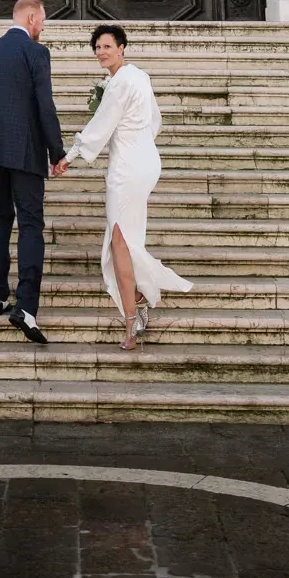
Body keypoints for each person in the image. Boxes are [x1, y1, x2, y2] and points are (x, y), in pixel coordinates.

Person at [62, 24, 191, 350]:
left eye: (106, 46)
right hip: (146, 159)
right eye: (97, 47)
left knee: (120, 240)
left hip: (127, 168)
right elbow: (154, 120)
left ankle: (132, 318)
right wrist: (139, 143)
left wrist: (69, 156)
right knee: (124, 238)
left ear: (121, 47)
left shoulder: (119, 84)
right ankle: (138, 300)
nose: (101, 52)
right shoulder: (141, 76)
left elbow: (99, 127)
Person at [0, 0, 67, 345]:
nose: (42, 27)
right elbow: (44, 104)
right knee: (30, 225)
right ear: (31, 19)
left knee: (0, 218)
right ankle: (25, 305)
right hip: (25, 152)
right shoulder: (36, 53)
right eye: (41, 21)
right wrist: (57, 151)